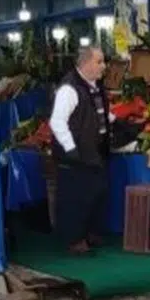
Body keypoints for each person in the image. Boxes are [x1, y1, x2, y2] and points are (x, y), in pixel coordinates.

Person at [48, 47, 113, 254]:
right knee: (75, 197)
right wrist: (70, 148)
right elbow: (57, 121)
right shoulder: (69, 89)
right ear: (85, 63)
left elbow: (98, 113)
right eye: (99, 62)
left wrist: (117, 123)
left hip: (95, 151)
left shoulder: (95, 87)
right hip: (77, 153)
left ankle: (92, 234)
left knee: (96, 193)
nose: (104, 66)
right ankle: (74, 239)